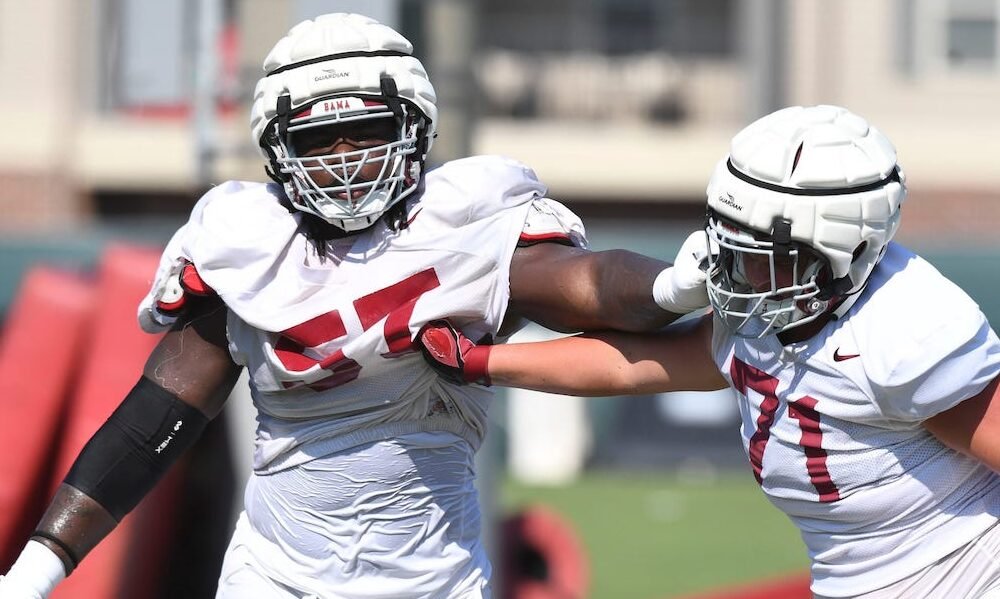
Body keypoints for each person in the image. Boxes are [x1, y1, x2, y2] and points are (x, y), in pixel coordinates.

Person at [0, 12, 712, 599]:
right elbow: (149, 424)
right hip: (275, 576)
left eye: (365, 132)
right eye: (317, 138)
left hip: (434, 582)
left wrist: (667, 286)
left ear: (413, 127)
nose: (343, 156)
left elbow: (589, 284)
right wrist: (35, 570)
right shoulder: (250, 244)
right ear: (280, 152)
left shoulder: (464, 223)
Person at [419, 105, 1000, 598]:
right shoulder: (772, 310)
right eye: (730, 243)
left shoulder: (904, 333)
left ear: (847, 253)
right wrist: (482, 363)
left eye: (766, 259)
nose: (739, 276)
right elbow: (638, 367)